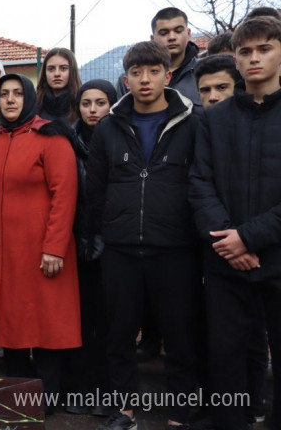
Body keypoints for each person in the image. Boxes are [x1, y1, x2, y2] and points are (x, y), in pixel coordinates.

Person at [87, 41, 200, 430]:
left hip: (175, 248)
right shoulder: (108, 127)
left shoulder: (192, 122)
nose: (145, 79)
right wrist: (100, 234)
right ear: (126, 79)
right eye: (137, 73)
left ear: (168, 76)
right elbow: (96, 189)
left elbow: (200, 183)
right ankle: (124, 410)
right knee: (118, 334)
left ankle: (181, 412)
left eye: (153, 71)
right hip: (120, 249)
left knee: (179, 333)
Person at [189, 16, 281, 430]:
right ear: (235, 60)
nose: (254, 58)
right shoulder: (213, 119)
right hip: (225, 263)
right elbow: (199, 185)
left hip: (277, 258)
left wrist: (249, 237)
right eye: (245, 51)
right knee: (224, 358)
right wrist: (230, 242)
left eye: (264, 48)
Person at [0, 73, 80, 407]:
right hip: (3, 252)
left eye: (18, 93)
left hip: (42, 250)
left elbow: (65, 195)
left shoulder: (51, 137)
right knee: (11, 326)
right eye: (4, 94)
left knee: (45, 326)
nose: (10, 99)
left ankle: (48, 399)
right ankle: (18, 398)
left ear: (29, 98)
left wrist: (54, 248)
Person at [65, 79, 118, 416]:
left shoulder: (120, 137)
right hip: (75, 241)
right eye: (86, 103)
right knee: (79, 320)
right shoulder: (67, 140)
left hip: (112, 243)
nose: (93, 110)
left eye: (100, 103)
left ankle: (108, 393)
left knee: (110, 322)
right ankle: (80, 390)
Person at [116, 8, 202, 111]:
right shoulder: (130, 80)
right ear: (152, 39)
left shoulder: (203, 72)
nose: (171, 37)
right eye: (164, 33)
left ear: (188, 34)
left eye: (178, 31)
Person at [37, 48, 82, 125]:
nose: (57, 74)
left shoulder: (83, 105)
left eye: (63, 68)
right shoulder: (33, 105)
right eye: (51, 69)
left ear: (72, 71)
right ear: (45, 72)